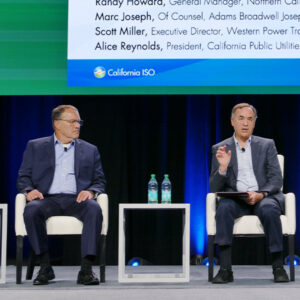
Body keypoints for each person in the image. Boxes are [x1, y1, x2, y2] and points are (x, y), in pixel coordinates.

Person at [17, 105, 106, 285]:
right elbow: (23, 176)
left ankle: (86, 270)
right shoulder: (36, 146)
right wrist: (29, 190)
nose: (77, 126)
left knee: (94, 209)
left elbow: (100, 181)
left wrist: (90, 191)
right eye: (72, 122)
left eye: (78, 122)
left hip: (77, 200)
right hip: (47, 199)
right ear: (57, 124)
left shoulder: (90, 150)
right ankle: (45, 267)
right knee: (31, 211)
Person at [209, 103, 289, 283]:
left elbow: (276, 179)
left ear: (254, 123)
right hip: (236, 199)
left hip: (263, 197)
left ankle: (278, 268)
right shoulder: (220, 148)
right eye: (241, 118)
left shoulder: (267, 145)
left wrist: (261, 194)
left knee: (269, 209)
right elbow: (214, 188)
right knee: (223, 209)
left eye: (250, 119)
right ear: (232, 121)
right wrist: (222, 167)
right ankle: (225, 269)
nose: (245, 123)